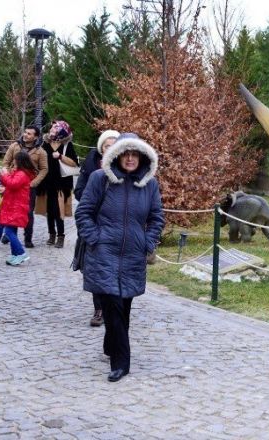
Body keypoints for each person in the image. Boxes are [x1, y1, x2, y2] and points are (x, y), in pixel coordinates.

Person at [75, 133, 165, 382]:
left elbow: (157, 217)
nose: (130, 159)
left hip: (133, 256)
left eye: (135, 154)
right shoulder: (99, 179)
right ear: (116, 155)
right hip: (104, 253)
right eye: (125, 154)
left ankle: (110, 343)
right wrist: (95, 238)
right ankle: (121, 362)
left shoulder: (149, 185)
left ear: (142, 157)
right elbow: (84, 212)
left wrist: (147, 242)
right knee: (112, 305)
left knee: (123, 306)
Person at [74, 129, 119, 327]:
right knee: (93, 268)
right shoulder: (92, 163)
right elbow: (79, 191)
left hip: (117, 226)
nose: (110, 148)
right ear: (101, 147)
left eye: (114, 145)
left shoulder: (126, 166)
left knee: (114, 267)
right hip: (94, 224)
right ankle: (99, 308)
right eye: (107, 145)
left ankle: (114, 305)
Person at [2, 125, 49, 248]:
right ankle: (10, 234)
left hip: (28, 187)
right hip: (13, 184)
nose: (25, 135)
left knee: (27, 212)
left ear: (35, 137)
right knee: (11, 209)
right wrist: (8, 177)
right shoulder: (14, 146)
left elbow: (44, 169)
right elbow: (6, 163)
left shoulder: (41, 152)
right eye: (25, 132)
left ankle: (28, 238)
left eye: (29, 133)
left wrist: (33, 183)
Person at [37, 119, 78, 249]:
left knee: (58, 210)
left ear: (61, 130)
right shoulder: (45, 143)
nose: (51, 129)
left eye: (55, 128)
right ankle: (51, 234)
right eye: (52, 127)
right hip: (46, 183)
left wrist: (60, 156)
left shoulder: (67, 146)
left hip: (61, 183)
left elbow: (74, 164)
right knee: (49, 211)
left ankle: (61, 236)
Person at [0, 152, 37, 266]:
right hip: (12, 205)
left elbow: (12, 184)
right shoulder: (19, 173)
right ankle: (15, 255)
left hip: (16, 207)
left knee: (8, 231)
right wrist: (2, 175)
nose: (13, 161)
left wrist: (4, 174)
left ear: (19, 161)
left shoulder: (22, 174)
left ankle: (20, 253)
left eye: (15, 159)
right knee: (12, 230)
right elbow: (9, 183)